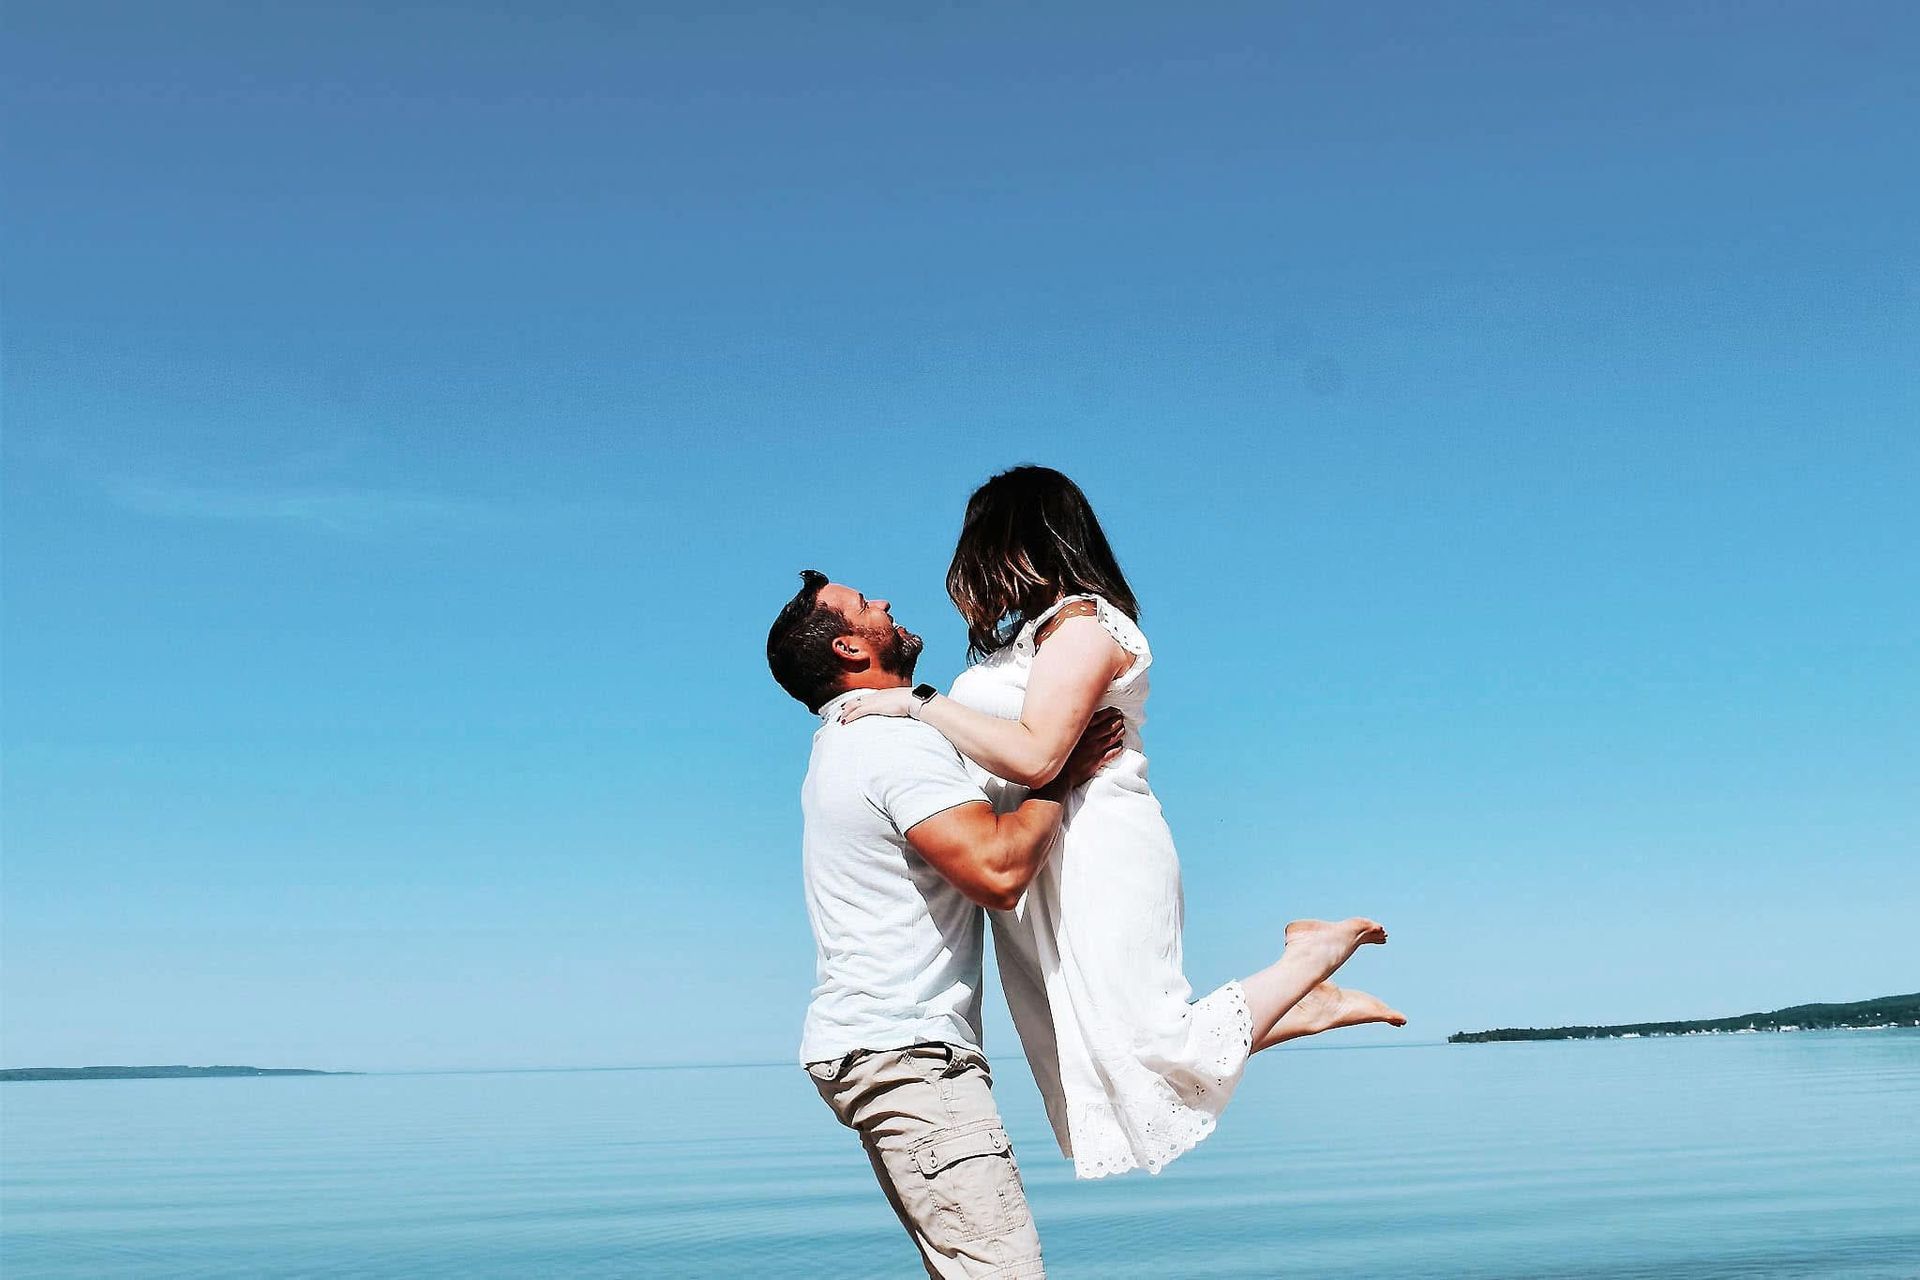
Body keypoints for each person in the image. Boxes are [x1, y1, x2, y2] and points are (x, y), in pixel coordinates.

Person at [839, 466, 1405, 1179]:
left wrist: (916, 702)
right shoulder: (1030, 641)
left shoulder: (1087, 628)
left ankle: (1308, 961)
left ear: (1020, 540)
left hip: (1097, 843)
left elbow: (1038, 752)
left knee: (1151, 1040)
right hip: (1036, 854)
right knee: (1096, 1053)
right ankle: (1297, 1005)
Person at [766, 570, 1127, 1279]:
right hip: (907, 1057)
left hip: (883, 1053)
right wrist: (1060, 775)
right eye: (864, 606)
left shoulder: (851, 743)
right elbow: (996, 872)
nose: (885, 603)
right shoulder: (887, 743)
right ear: (848, 647)